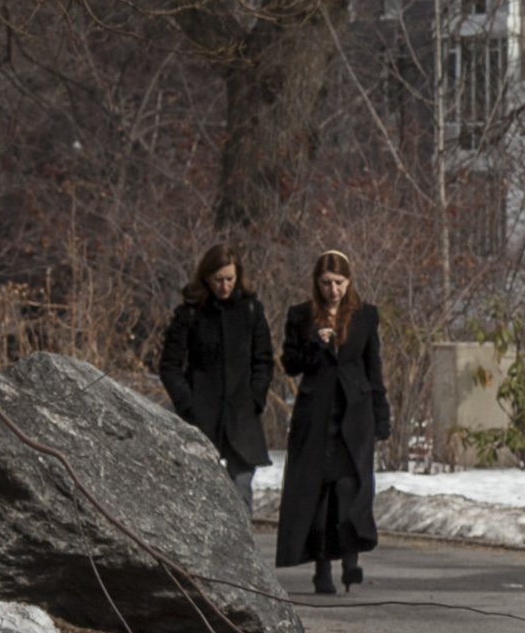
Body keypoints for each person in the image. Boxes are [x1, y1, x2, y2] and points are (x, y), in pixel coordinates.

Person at [275, 251, 390, 595]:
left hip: (355, 415)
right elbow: (291, 364)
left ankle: (350, 561)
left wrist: (382, 415)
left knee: (350, 488)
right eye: (326, 283)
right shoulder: (301, 316)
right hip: (317, 415)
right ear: (317, 283)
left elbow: (374, 368)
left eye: (339, 283)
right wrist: (314, 342)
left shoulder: (366, 316)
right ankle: (321, 569)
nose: (333, 290)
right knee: (319, 493)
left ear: (349, 282)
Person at [156, 245, 275, 512]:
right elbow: (170, 365)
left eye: (230, 279)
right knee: (196, 492)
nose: (224, 286)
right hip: (201, 413)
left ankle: (241, 552)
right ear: (206, 278)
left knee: (241, 488)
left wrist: (256, 397)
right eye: (218, 279)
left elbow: (263, 360)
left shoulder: (251, 310)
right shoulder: (189, 313)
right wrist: (187, 403)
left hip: (242, 414)